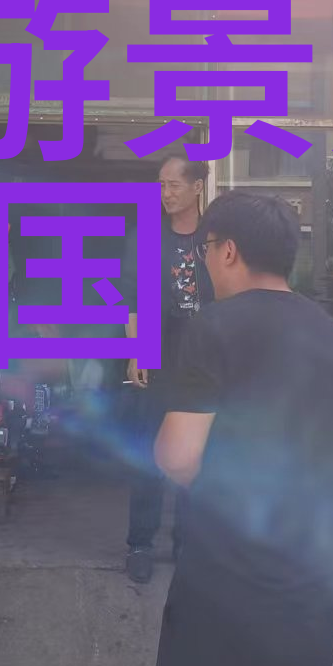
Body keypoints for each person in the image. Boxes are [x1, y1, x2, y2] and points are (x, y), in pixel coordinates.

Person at [150, 191, 333, 666]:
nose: (202, 263)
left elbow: (178, 458)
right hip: (307, 599)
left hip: (220, 596)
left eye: (204, 250)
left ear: (227, 251)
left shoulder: (213, 327)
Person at [124, 154, 213, 584]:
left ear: (197, 187)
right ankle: (140, 543)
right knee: (148, 452)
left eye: (174, 185)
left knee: (196, 456)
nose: (165, 193)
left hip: (204, 363)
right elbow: (132, 299)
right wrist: (136, 350)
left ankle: (186, 542)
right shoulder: (147, 236)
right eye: (161, 184)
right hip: (158, 356)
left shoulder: (216, 239)